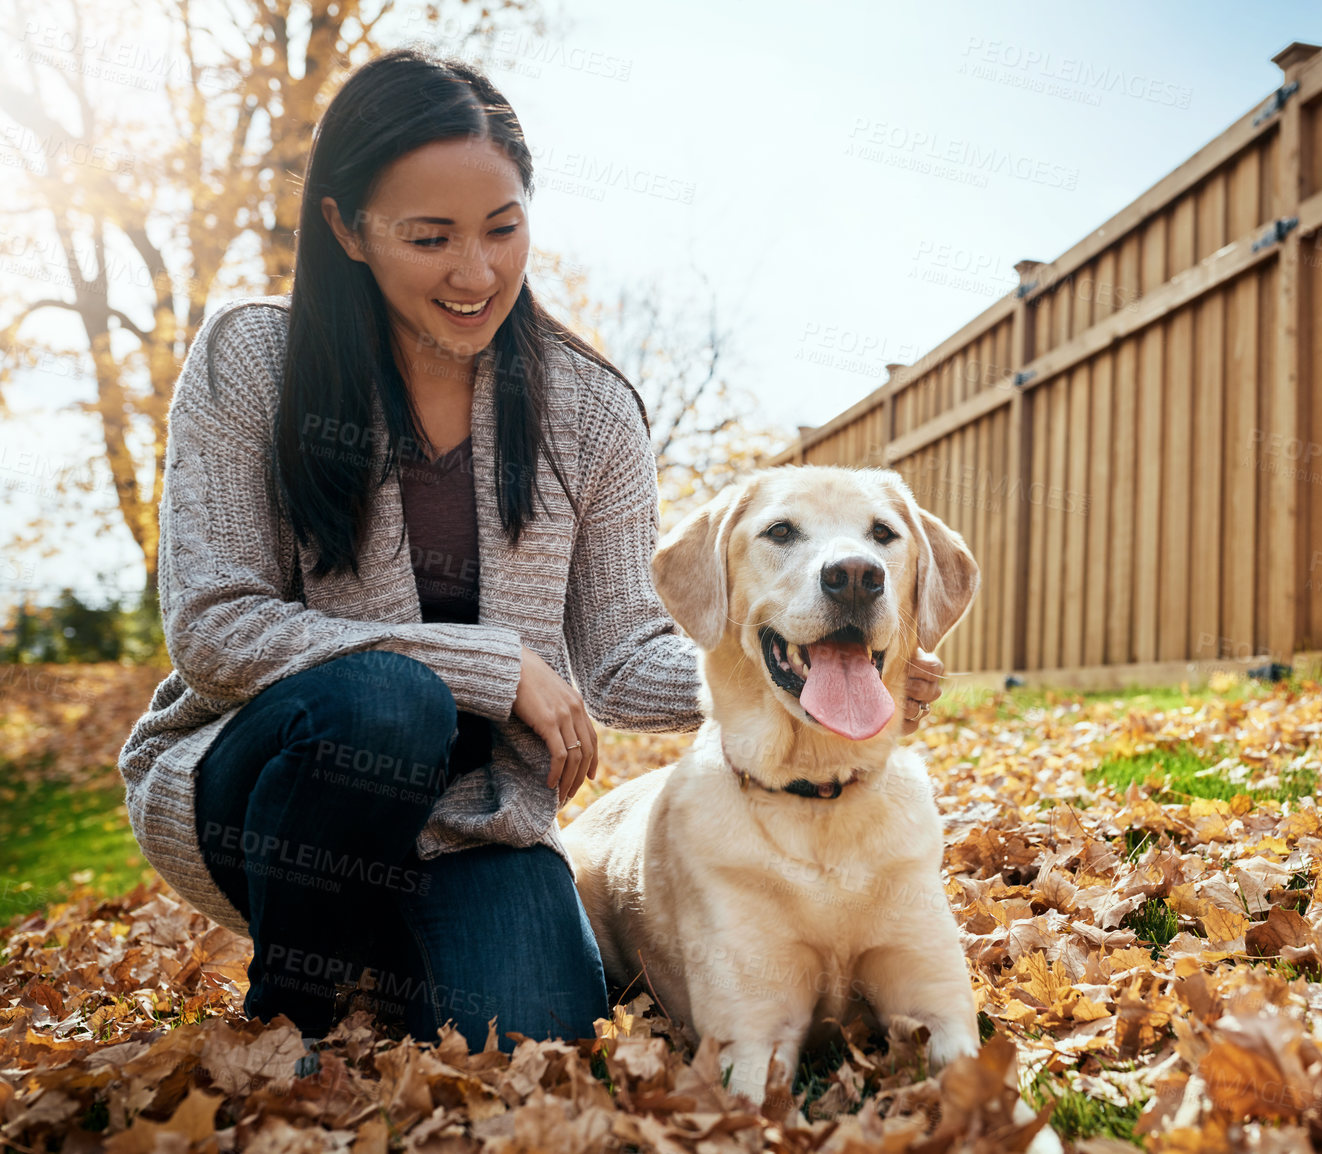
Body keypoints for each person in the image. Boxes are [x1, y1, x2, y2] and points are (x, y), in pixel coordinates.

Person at [117, 46, 946, 1055]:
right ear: (343, 228)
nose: (477, 273)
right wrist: (494, 665)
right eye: (430, 238)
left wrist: (806, 660)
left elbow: (619, 653)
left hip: (477, 815)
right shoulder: (253, 357)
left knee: (540, 1038)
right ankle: (297, 996)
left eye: (502, 228)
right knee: (390, 699)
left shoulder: (590, 413)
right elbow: (212, 624)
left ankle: (392, 947)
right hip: (267, 788)